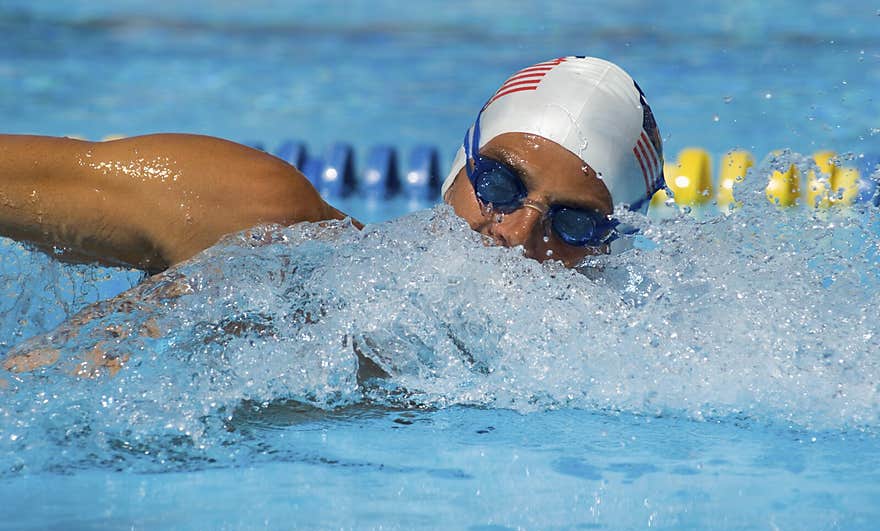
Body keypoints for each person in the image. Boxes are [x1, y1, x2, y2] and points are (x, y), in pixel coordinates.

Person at [1, 56, 664, 373]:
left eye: (574, 224)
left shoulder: (635, 372)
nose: (516, 233)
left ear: (614, 246)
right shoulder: (266, 221)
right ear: (459, 166)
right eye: (498, 181)